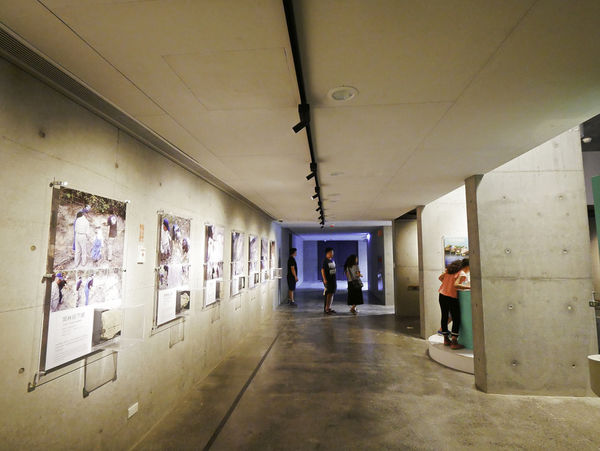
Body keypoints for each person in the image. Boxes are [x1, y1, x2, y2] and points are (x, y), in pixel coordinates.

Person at [438, 260, 464, 349]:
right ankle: (454, 341)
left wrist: (446, 284)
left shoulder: (448, 271)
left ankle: (446, 339)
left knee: (444, 316)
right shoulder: (460, 272)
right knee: (456, 317)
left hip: (442, 295)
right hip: (452, 296)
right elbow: (458, 285)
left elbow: (440, 278)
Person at [321, 247, 337, 314]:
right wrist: (324, 279)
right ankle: (326, 309)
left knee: (332, 293)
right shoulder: (325, 261)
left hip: (333, 279)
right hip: (328, 280)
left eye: (332, 252)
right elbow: (322, 270)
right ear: (328, 253)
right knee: (328, 294)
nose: (332, 254)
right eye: (331, 252)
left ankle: (329, 307)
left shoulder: (331, 260)